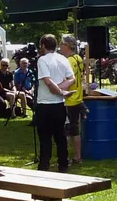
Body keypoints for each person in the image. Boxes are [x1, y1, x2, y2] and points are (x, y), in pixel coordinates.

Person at [35, 33, 75, 173]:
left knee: (45, 138)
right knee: (60, 137)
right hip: (59, 105)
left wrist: (58, 90)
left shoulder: (42, 60)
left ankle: (44, 167)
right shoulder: (63, 59)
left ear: (43, 46)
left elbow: (47, 81)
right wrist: (61, 89)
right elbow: (72, 78)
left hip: (45, 105)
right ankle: (63, 165)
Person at [60, 34, 86, 165]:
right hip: (78, 98)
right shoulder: (78, 58)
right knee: (75, 129)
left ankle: (66, 158)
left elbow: (66, 80)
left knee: (66, 130)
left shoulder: (68, 61)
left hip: (69, 99)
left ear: (67, 46)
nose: (60, 47)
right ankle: (77, 156)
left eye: (61, 44)